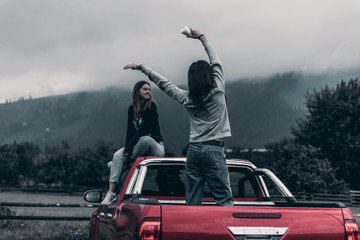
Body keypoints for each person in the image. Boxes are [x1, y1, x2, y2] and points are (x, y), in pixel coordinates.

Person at [124, 28, 233, 206]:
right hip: (213, 149)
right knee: (224, 200)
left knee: (192, 200)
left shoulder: (186, 98)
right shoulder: (218, 90)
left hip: (193, 151)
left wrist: (143, 68)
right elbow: (216, 62)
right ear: (210, 76)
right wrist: (201, 37)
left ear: (191, 80)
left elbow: (165, 84)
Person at [101, 80, 165, 205]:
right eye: (145, 89)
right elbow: (130, 132)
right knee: (117, 155)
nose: (148, 91)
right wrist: (126, 150)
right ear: (138, 91)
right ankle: (111, 193)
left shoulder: (152, 107)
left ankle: (120, 164)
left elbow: (142, 130)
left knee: (144, 139)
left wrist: (128, 150)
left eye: (149, 89)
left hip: (156, 147)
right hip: (137, 146)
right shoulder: (132, 109)